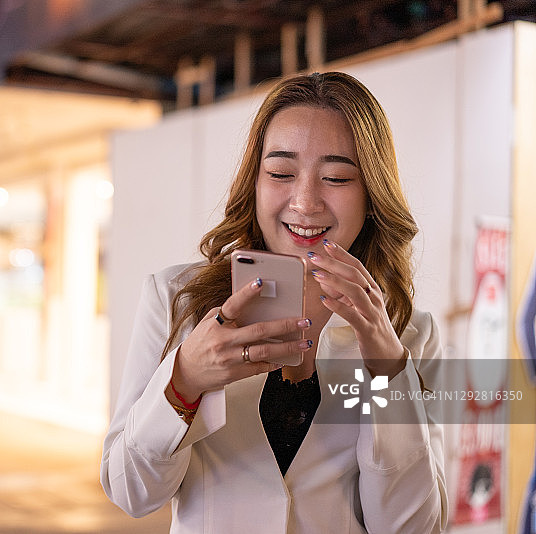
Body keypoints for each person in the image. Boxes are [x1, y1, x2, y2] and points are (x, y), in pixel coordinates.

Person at [100, 71, 448, 533]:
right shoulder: (176, 299)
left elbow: (413, 527)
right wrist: (184, 380)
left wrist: (387, 369)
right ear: (255, 182)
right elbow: (131, 493)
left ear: (371, 195)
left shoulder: (411, 334)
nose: (304, 203)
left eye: (336, 177)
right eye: (281, 173)